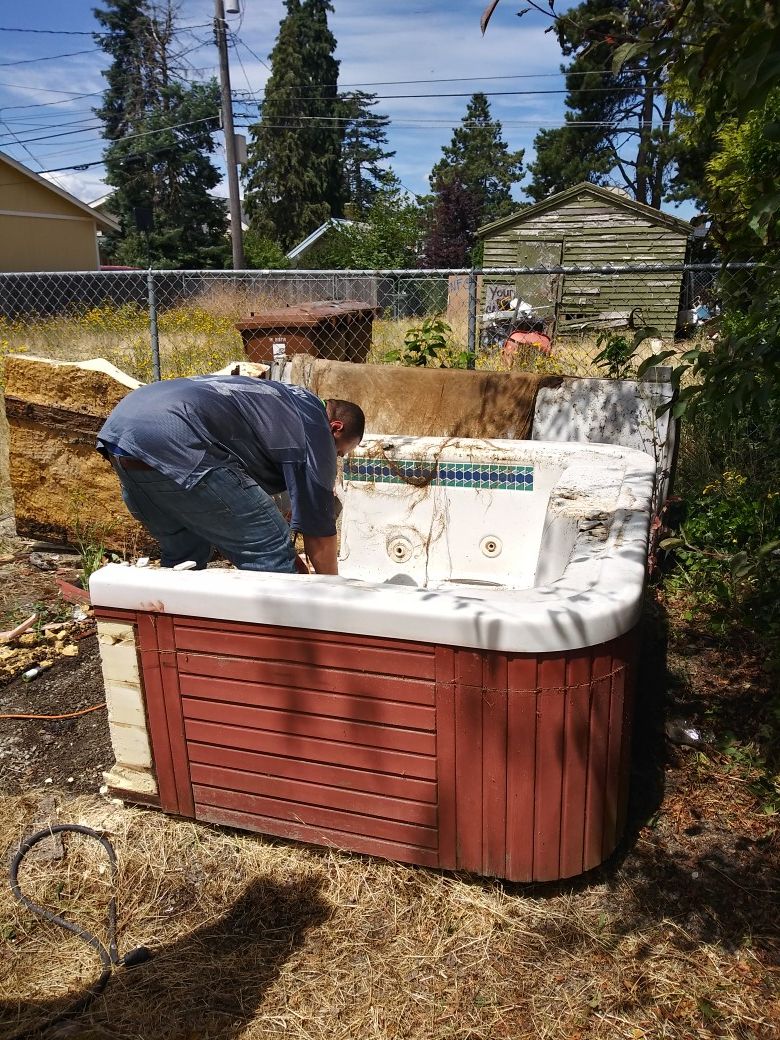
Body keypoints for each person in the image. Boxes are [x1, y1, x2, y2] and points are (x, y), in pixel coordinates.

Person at [96, 375, 365, 575]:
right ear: (336, 428)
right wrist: (333, 598)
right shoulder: (316, 427)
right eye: (340, 452)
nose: (336, 459)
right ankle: (292, 646)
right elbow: (319, 531)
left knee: (185, 555)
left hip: (122, 436)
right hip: (175, 437)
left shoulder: (288, 396)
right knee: (271, 552)